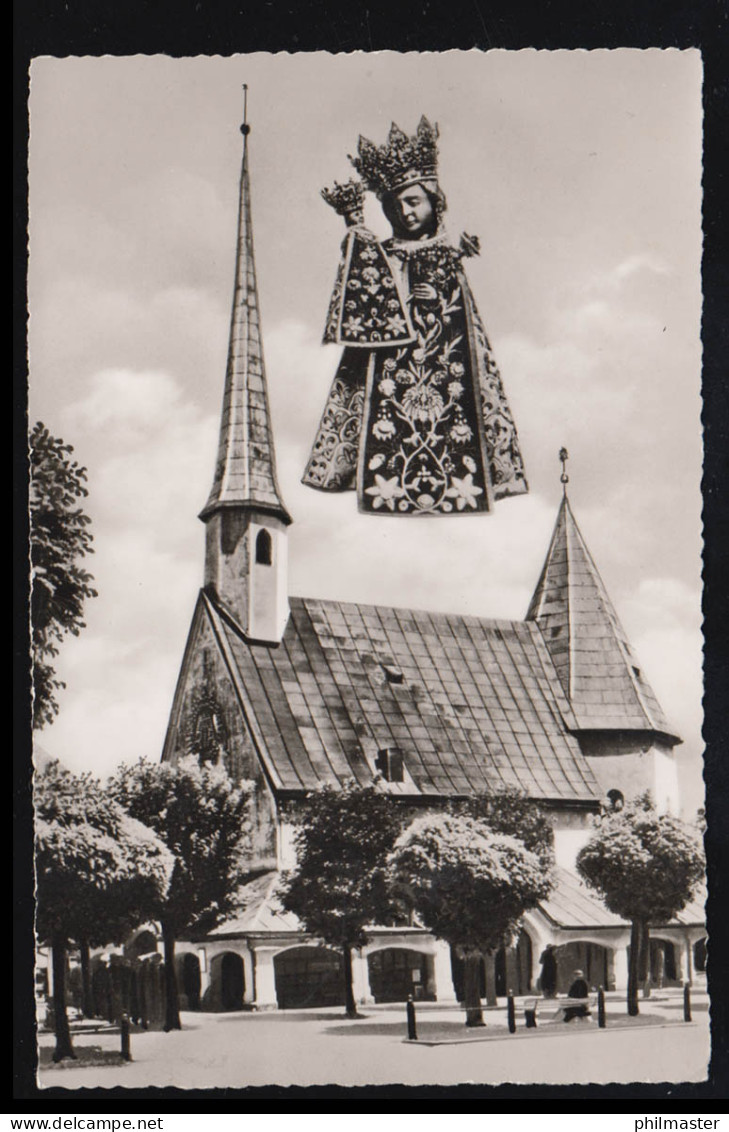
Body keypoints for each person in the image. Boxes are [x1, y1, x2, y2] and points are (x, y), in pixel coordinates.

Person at [302, 117, 528, 516]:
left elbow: (460, 311)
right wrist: (355, 227)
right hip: (391, 362)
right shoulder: (386, 251)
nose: (405, 212)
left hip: (443, 361)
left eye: (413, 201)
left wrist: (437, 300)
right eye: (395, 205)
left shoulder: (446, 250)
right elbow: (368, 290)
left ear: (433, 202)